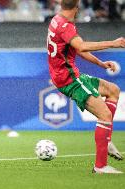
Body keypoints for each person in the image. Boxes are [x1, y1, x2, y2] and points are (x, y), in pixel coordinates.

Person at [47, 0, 125, 174]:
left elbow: (78, 50)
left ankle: (107, 139)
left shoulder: (56, 20)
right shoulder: (66, 26)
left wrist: (100, 63)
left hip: (69, 75)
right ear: (77, 8)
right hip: (69, 79)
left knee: (113, 90)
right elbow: (81, 46)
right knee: (105, 115)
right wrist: (113, 43)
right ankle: (101, 166)